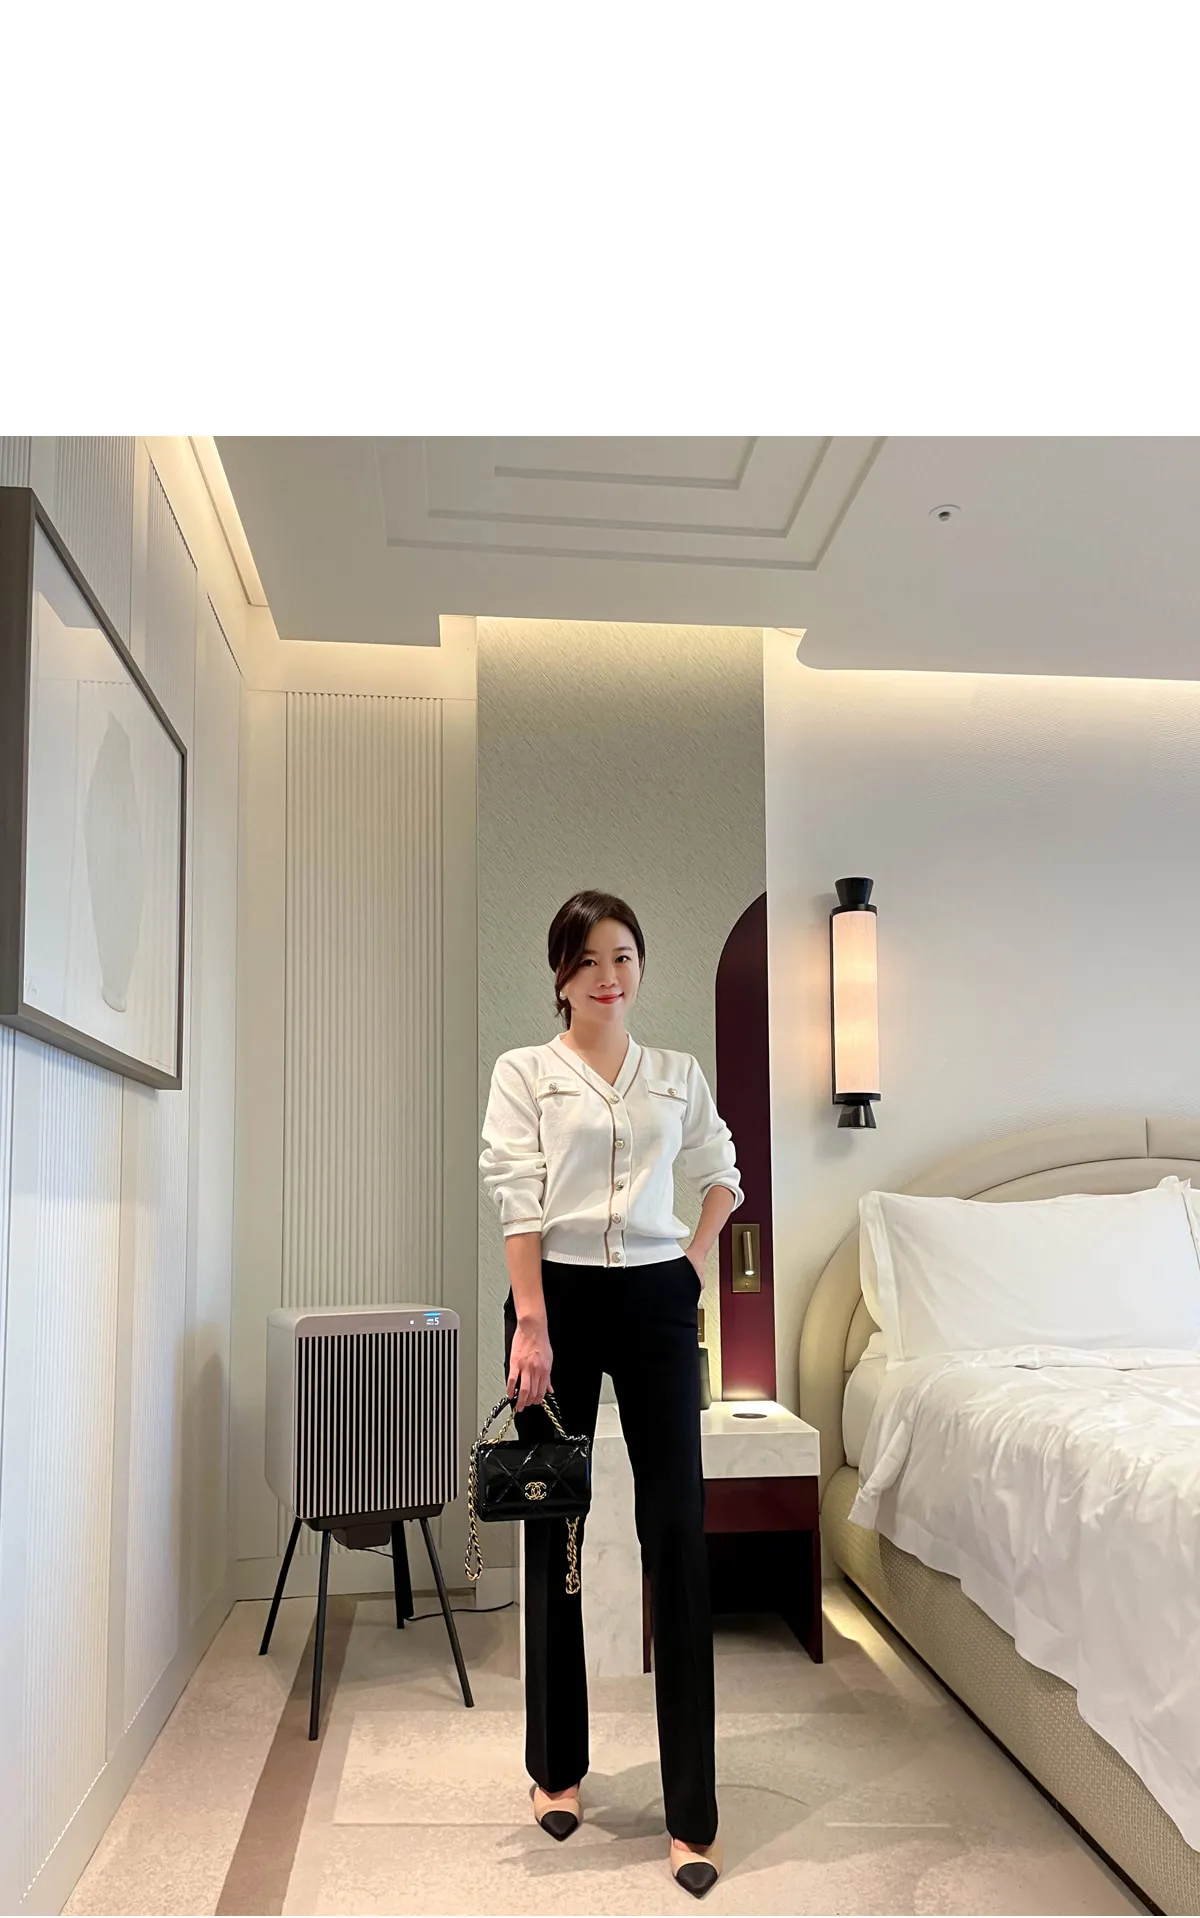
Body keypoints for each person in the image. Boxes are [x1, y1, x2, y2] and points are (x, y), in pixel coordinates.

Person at [478, 889, 742, 1898]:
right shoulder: (526, 1072)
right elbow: (517, 1194)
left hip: (658, 1300)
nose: (607, 974)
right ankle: (556, 1768)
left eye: (622, 955)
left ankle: (693, 1814)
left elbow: (721, 1171)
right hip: (555, 1301)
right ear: (561, 974)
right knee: (559, 1524)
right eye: (587, 958)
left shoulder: (676, 1073)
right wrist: (531, 1322)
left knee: (678, 1530)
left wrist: (693, 1264)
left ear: (640, 965)